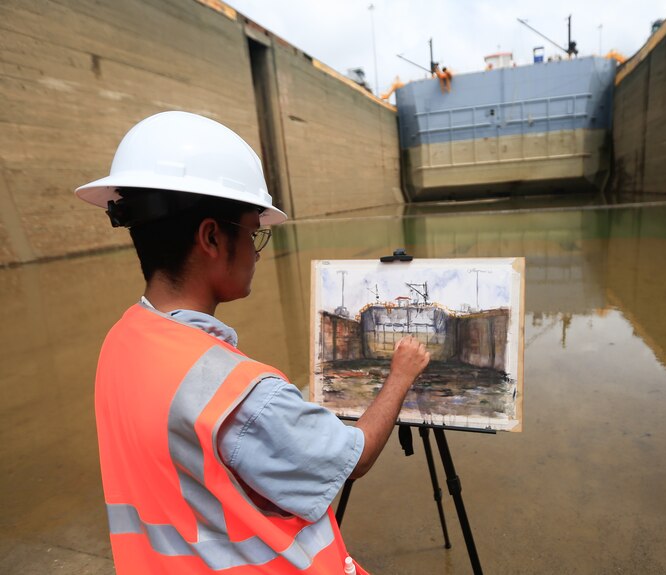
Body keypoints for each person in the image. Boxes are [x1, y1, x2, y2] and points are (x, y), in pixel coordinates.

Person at [75, 111, 430, 574]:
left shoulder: (122, 341)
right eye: (252, 233)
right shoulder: (241, 392)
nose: (257, 253)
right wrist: (400, 375)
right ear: (211, 236)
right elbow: (354, 456)